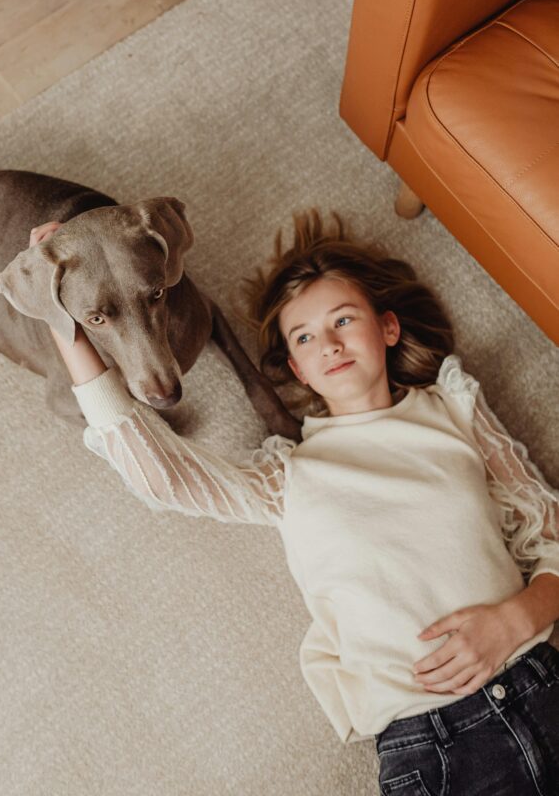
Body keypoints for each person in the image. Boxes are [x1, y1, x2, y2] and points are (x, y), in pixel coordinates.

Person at [28, 210, 559, 795]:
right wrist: (63, 321)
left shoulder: (455, 408)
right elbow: (164, 478)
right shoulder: (289, 473)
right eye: (304, 337)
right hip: (433, 744)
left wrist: (519, 616)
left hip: (541, 683)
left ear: (387, 328)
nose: (328, 343)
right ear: (297, 368)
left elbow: (549, 530)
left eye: (344, 320)